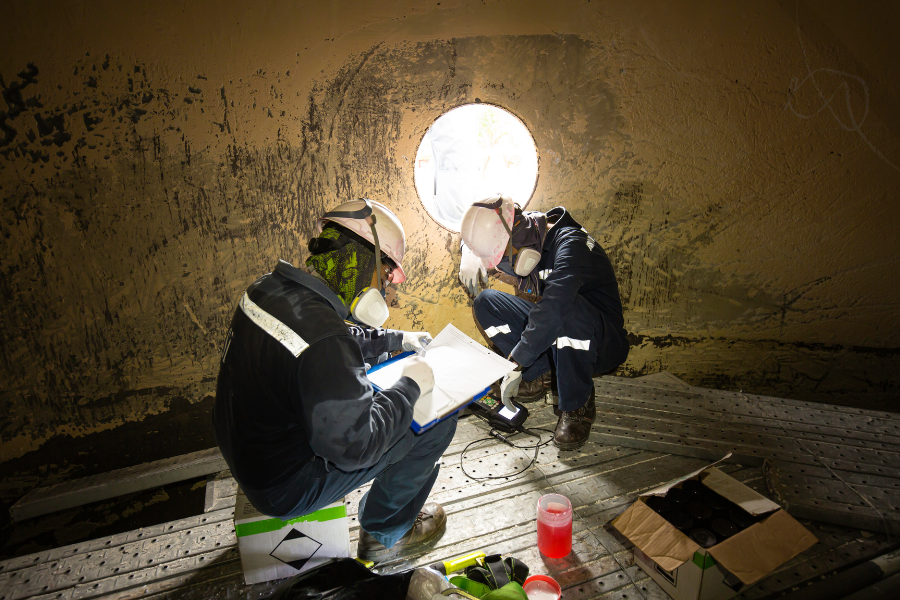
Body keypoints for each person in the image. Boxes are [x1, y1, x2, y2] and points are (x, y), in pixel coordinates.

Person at [213, 199, 456, 562]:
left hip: (247, 453)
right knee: (434, 420)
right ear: (364, 263)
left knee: (387, 383)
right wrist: (410, 386)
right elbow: (358, 445)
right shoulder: (324, 337)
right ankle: (385, 535)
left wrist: (396, 340)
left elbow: (333, 335)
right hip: (283, 487)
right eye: (387, 276)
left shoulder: (268, 289)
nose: (387, 289)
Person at [458, 194, 629, 450]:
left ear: (518, 240)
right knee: (487, 302)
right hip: (561, 330)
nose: (503, 270)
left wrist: (515, 362)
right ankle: (540, 375)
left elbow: (554, 309)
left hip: (601, 342)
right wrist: (468, 253)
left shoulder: (572, 244)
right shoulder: (529, 229)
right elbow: (480, 225)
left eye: (504, 259)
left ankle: (578, 404)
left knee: (564, 310)